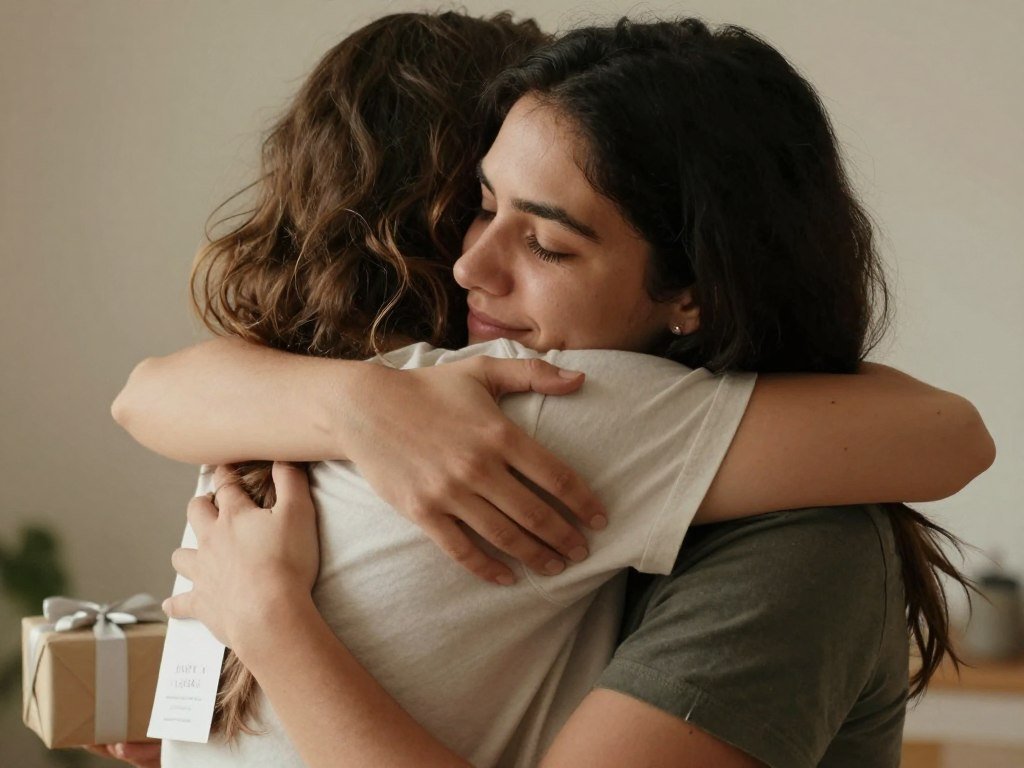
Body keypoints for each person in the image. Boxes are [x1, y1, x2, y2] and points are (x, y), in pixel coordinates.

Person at [106, 14, 992, 768]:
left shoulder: (537, 409)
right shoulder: (477, 406)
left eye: (549, 243)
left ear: (696, 289)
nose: (470, 266)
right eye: (482, 205)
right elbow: (950, 434)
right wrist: (357, 408)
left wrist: (269, 629)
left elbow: (144, 394)